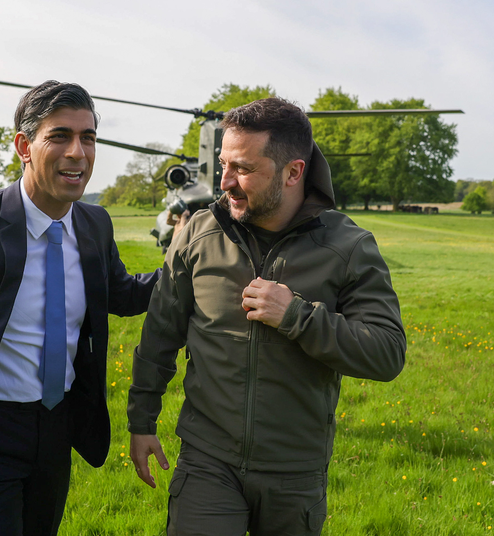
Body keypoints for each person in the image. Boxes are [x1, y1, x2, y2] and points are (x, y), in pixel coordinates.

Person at [128, 97, 406, 536]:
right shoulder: (198, 234)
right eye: (223, 164)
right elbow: (160, 333)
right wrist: (141, 421)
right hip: (207, 460)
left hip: (295, 471)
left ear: (293, 172)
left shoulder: (349, 247)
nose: (225, 182)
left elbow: (388, 353)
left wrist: (296, 316)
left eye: (243, 169)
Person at [0, 80, 160, 536]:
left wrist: (193, 262)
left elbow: (122, 293)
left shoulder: (95, 223)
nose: (78, 152)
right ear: (24, 145)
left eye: (89, 137)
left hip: (58, 428)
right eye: (60, 136)